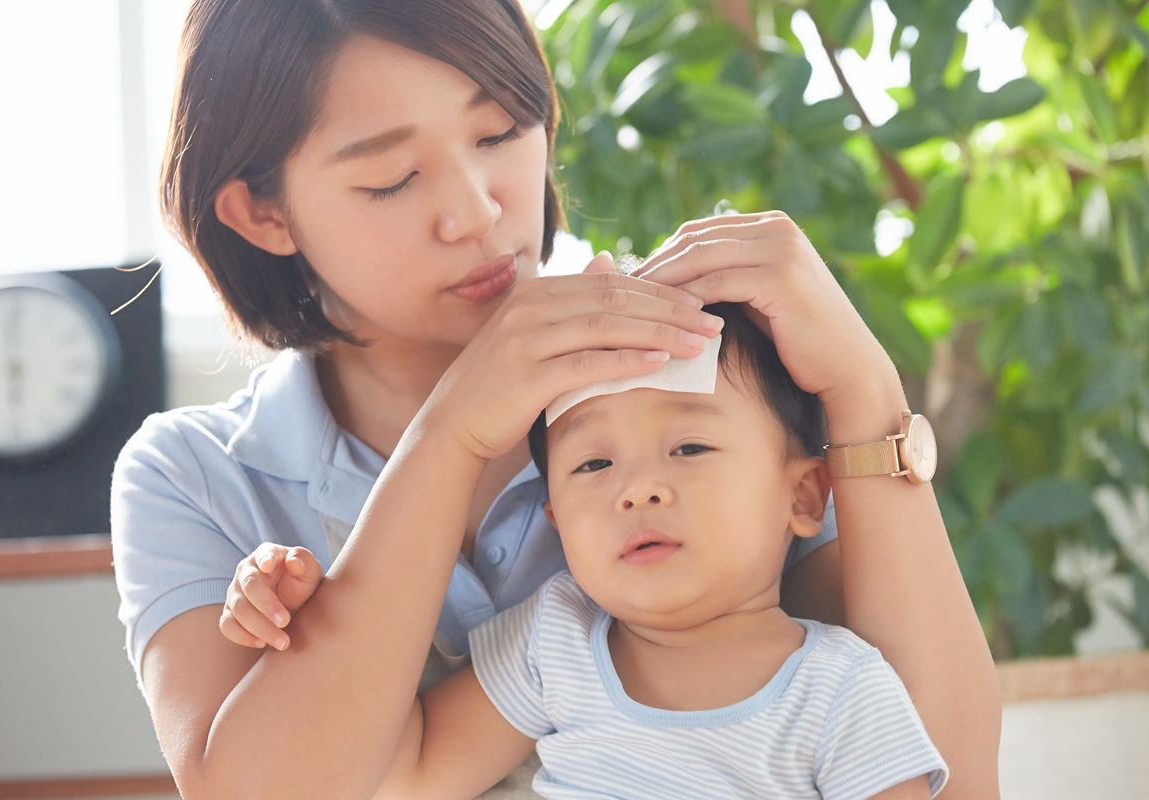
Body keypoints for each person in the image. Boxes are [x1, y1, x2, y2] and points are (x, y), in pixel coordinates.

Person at [109, 2, 1000, 798]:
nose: (475, 211)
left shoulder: (693, 384)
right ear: (264, 215)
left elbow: (946, 775)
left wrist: (864, 388)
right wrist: (451, 435)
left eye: (500, 133)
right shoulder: (190, 476)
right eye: (390, 178)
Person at [220, 303, 950, 799]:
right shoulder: (555, 643)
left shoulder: (843, 690)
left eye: (689, 446)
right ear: (558, 522)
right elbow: (397, 774)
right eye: (593, 466)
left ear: (802, 497)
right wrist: (309, 620)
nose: (637, 491)